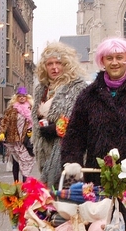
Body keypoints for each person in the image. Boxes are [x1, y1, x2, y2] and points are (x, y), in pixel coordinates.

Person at [60, 37, 126, 184]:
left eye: (119, 57)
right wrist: (72, 161)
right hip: (96, 177)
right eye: (109, 58)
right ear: (102, 61)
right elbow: (75, 133)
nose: (114, 62)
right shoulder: (88, 95)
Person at [32, 42, 89, 188]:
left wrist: (57, 128)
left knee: (69, 197)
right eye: (50, 63)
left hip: (69, 152)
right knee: (52, 198)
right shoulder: (41, 89)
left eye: (59, 63)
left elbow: (83, 120)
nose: (54, 67)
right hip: (46, 150)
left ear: (67, 64)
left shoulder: (78, 87)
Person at [0, 86, 36, 183]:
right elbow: (5, 121)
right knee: (16, 161)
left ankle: (25, 183)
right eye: (20, 96)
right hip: (14, 139)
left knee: (25, 161)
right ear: (16, 98)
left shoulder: (31, 108)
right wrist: (2, 132)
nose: (22, 98)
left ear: (27, 97)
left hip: (26, 139)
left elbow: (36, 121)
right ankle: (16, 182)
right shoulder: (11, 109)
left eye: (24, 96)